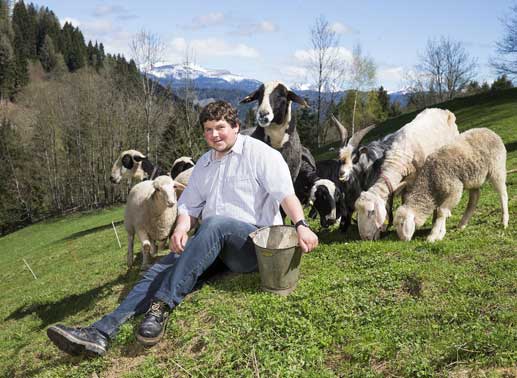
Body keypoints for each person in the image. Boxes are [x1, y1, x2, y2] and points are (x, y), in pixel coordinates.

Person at [47, 100, 318, 356]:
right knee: (159, 269)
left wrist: (301, 225)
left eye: (221, 127)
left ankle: (161, 306)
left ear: (235, 126)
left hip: (251, 247)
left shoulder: (260, 154)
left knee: (216, 223)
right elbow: (188, 206)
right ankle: (100, 332)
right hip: (211, 244)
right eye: (208, 130)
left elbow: (286, 194)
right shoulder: (204, 164)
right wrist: (180, 228)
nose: (215, 135)